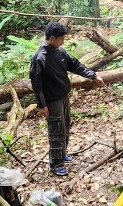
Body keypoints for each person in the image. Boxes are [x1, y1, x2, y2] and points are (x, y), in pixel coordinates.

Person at [30, 22, 105, 176]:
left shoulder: (60, 51)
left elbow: (75, 65)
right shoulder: (39, 58)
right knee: (56, 130)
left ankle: (62, 154)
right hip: (52, 100)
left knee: (65, 127)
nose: (63, 42)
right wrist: (41, 105)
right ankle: (56, 164)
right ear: (52, 38)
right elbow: (36, 84)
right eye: (61, 39)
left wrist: (92, 76)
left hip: (64, 96)